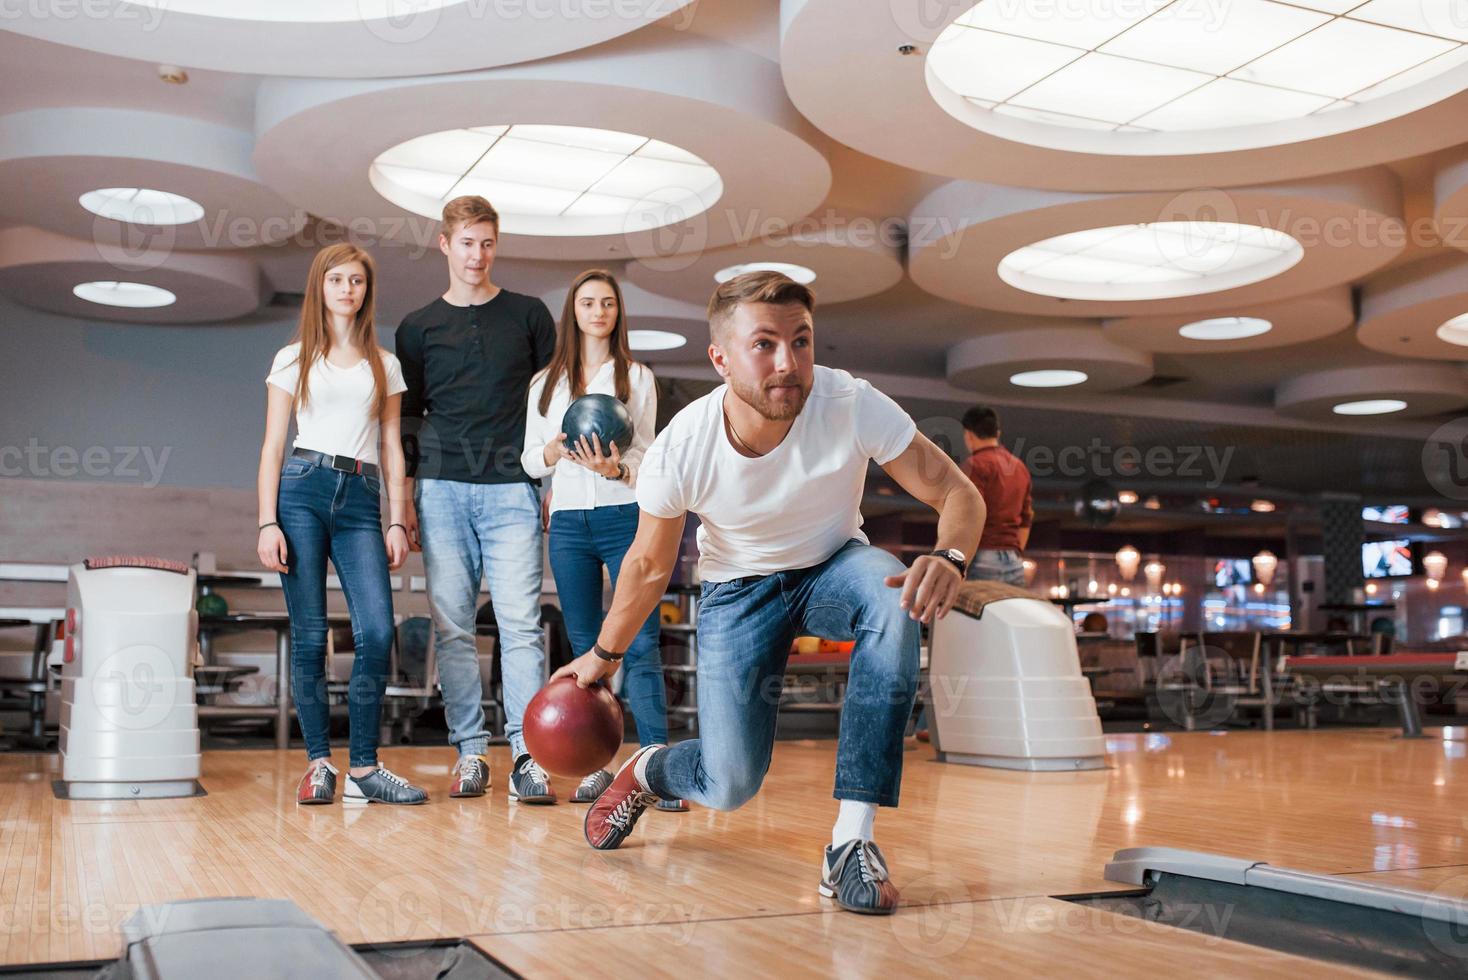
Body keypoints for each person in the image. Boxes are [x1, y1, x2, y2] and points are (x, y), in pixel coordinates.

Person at [552, 271, 984, 915]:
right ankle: (648, 770)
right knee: (729, 785)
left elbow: (957, 493)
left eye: (801, 341)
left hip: (834, 566)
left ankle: (851, 844)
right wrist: (602, 656)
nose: (789, 364)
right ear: (720, 358)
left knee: (892, 594)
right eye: (765, 345)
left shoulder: (850, 401)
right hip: (737, 593)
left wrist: (949, 556)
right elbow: (646, 564)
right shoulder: (683, 447)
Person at [395, 196, 557, 803]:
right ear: (445, 245)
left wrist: (549, 485)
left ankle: (526, 755)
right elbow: (408, 419)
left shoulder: (529, 315)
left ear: (496, 244)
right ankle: (469, 751)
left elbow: (551, 407)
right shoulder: (417, 327)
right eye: (466, 243)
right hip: (440, 488)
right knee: (454, 629)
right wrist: (404, 502)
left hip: (513, 487)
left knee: (520, 627)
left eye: (487, 243)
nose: (477, 255)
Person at [257, 243, 427, 806]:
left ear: (365, 291)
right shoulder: (293, 358)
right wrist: (266, 522)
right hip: (301, 491)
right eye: (336, 280)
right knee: (309, 636)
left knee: (377, 631)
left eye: (356, 280)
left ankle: (364, 767)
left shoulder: (386, 364)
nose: (347, 289)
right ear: (320, 287)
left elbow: (393, 448)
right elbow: (273, 445)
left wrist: (399, 521)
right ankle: (318, 764)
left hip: (362, 499)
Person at [521, 270, 682, 810]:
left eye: (607, 303)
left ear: (617, 312)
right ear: (574, 310)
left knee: (641, 644)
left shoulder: (636, 377)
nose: (597, 311)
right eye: (587, 302)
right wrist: (551, 452)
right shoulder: (544, 382)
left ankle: (656, 767)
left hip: (623, 516)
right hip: (568, 521)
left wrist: (616, 470)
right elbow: (527, 458)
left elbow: (650, 460)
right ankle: (601, 767)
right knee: (589, 647)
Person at [960, 405, 1033, 586]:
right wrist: (1015, 551)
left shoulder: (974, 465)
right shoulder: (1019, 467)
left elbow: (968, 515)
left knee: (976, 614)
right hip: (1014, 560)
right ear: (997, 433)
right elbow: (1027, 517)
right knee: (1011, 614)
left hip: (981, 556)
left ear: (968, 435)